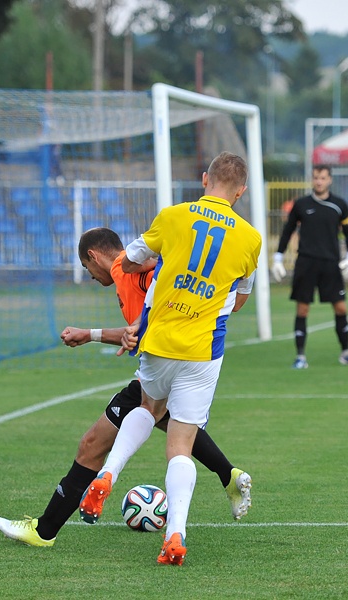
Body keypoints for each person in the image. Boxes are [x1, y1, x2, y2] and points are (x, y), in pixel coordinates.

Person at [0, 227, 252, 548]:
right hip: (177, 364)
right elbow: (139, 330)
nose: (90, 276)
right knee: (167, 425)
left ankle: (46, 529)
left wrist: (92, 332)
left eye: (87, 269)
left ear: (93, 256)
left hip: (169, 365)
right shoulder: (125, 276)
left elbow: (159, 268)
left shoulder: (129, 268)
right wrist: (90, 334)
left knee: (98, 443)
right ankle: (229, 477)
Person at [79, 152, 261, 567]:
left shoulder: (174, 215)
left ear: (204, 179)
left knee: (147, 406)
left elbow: (133, 257)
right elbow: (241, 301)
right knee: (181, 445)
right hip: (202, 350)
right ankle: (175, 535)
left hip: (159, 340)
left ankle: (108, 474)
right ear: (241, 191)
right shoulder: (250, 238)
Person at [271, 164, 348, 369]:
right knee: (303, 308)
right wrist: (278, 257)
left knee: (341, 307)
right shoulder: (301, 204)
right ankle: (300, 357)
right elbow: (288, 230)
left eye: (323, 178)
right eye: (316, 177)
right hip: (306, 262)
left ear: (329, 180)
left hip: (330, 263)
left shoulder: (339, 204)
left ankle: (346, 353)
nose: (319, 181)